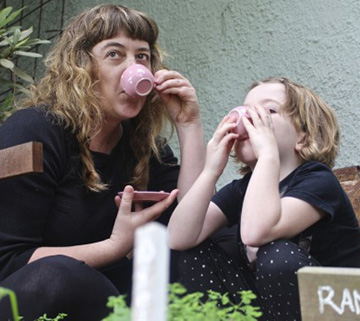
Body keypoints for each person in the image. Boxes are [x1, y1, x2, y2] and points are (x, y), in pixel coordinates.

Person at [0, 4, 205, 321]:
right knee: (60, 274)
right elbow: (9, 262)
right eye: (115, 54)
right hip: (35, 297)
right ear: (82, 66)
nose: (134, 68)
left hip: (114, 299)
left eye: (142, 56)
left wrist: (189, 125)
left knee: (205, 251)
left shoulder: (143, 145)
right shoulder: (29, 133)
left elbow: (191, 225)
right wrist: (115, 246)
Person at [167, 77, 360, 321]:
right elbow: (179, 236)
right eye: (246, 110)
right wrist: (210, 171)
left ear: (304, 138)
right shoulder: (244, 188)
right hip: (273, 311)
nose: (248, 118)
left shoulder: (318, 180)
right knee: (193, 254)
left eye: (268, 111)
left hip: (337, 310)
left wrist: (268, 154)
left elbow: (256, 232)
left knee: (276, 256)